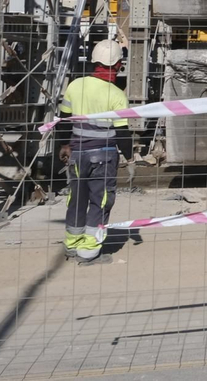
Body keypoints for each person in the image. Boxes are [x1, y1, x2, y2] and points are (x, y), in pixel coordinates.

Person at [54, 39, 133, 264]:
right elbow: (122, 133)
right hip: (104, 156)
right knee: (101, 201)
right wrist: (130, 158)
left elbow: (64, 121)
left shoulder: (75, 85)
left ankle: (72, 244)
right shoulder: (116, 94)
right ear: (118, 64)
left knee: (76, 198)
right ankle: (89, 251)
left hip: (77, 154)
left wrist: (64, 145)